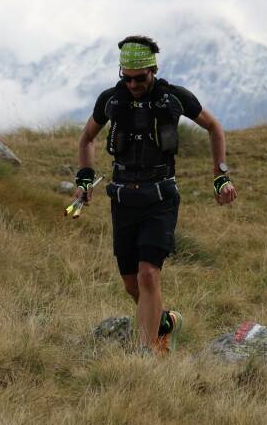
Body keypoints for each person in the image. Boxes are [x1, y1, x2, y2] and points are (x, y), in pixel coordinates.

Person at [73, 35, 237, 354]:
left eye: (140, 78)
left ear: (153, 70)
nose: (133, 84)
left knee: (149, 274)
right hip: (123, 200)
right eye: (127, 78)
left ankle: (146, 353)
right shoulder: (110, 100)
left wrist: (221, 177)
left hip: (160, 199)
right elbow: (86, 139)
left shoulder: (173, 98)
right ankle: (163, 322)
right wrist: (84, 178)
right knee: (132, 284)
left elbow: (214, 127)